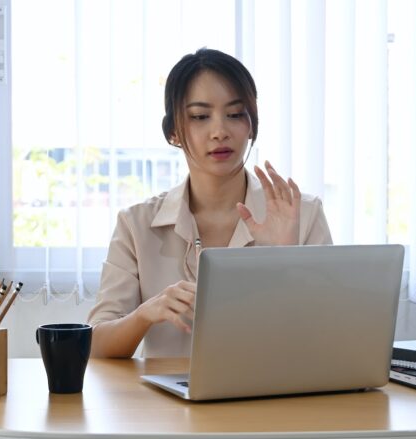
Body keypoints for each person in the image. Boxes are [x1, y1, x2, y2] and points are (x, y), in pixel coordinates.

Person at [87, 48, 332, 358]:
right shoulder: (136, 224)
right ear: (173, 132)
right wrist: (145, 313)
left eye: (235, 114)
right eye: (200, 117)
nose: (220, 132)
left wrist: (282, 261)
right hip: (168, 404)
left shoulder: (303, 215)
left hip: (271, 401)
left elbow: (326, 340)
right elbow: (95, 344)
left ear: (251, 125)